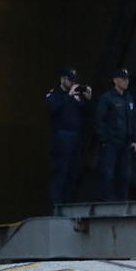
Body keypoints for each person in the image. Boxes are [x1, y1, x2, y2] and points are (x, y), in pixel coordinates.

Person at [45, 65, 90, 207]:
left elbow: (86, 116)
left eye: (73, 81)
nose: (72, 83)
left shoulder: (76, 98)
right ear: (62, 79)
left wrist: (87, 99)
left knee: (72, 173)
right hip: (61, 139)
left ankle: (68, 205)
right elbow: (53, 108)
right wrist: (69, 96)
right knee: (60, 173)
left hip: (75, 139)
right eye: (69, 80)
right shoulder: (54, 94)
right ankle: (55, 206)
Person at [95, 68, 136, 201]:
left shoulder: (129, 98)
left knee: (124, 175)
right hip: (111, 143)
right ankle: (105, 201)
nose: (126, 82)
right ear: (115, 80)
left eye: (127, 79)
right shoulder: (106, 98)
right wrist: (104, 139)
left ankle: (122, 202)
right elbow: (99, 120)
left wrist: (135, 139)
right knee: (108, 173)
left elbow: (133, 120)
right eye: (123, 79)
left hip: (126, 144)